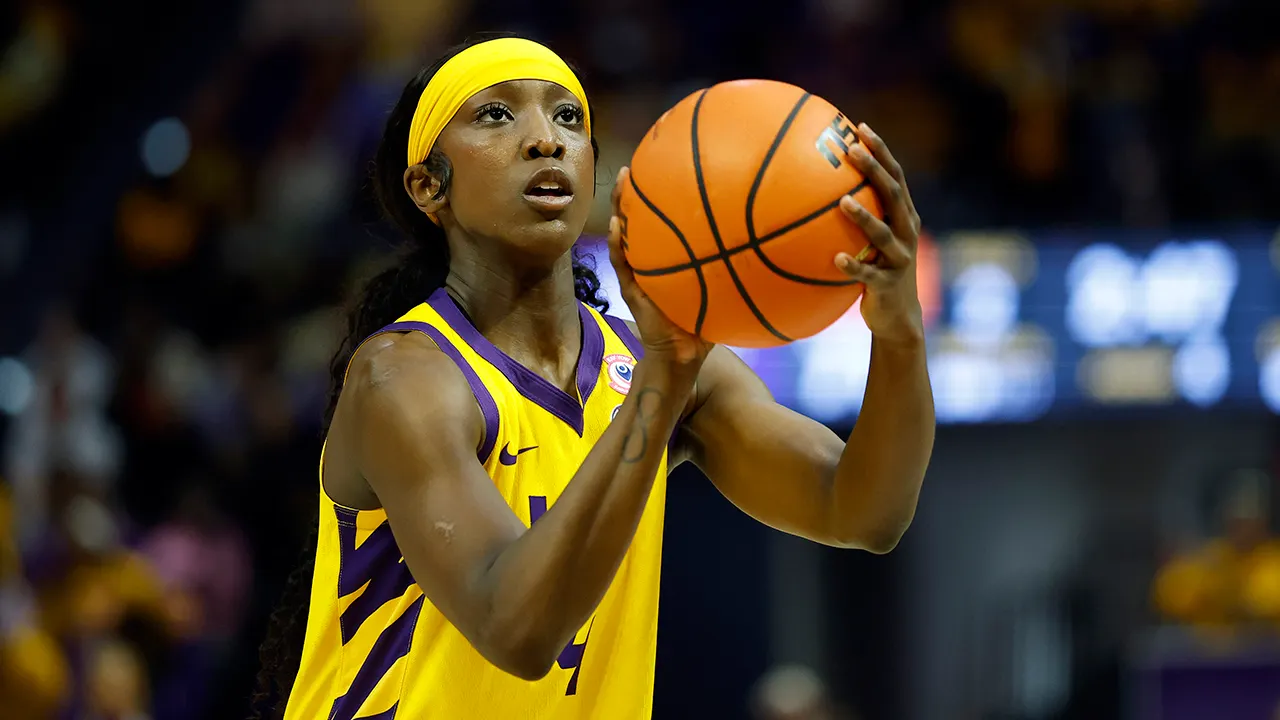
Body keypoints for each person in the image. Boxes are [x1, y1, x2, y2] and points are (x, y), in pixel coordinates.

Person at [251, 32, 934, 720]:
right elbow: (516, 630)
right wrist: (661, 387)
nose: (546, 139)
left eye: (568, 117)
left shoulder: (658, 364)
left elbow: (861, 512)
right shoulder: (405, 378)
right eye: (496, 114)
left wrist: (899, 333)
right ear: (430, 186)